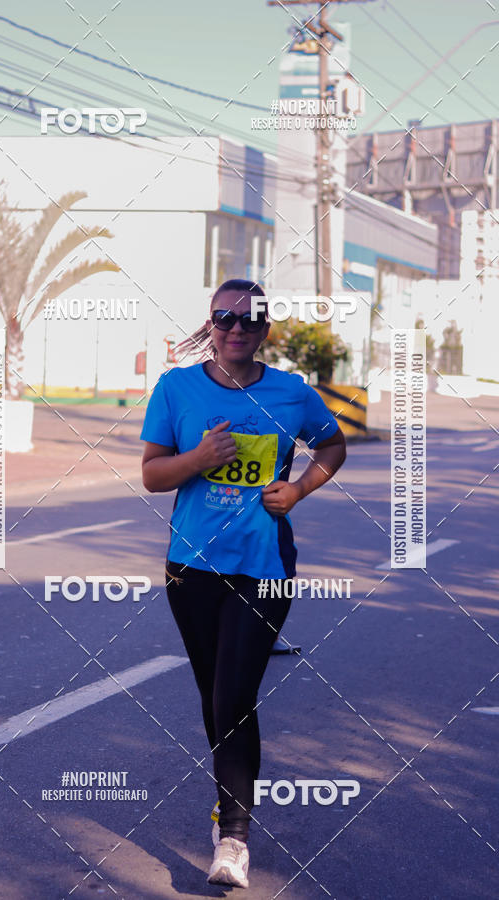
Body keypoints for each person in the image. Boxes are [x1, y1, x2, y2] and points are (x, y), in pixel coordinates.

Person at [140, 278, 346, 888]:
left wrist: (300, 488)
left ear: (264, 331)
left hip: (265, 570)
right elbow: (153, 475)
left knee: (233, 697)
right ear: (211, 323)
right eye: (224, 318)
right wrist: (197, 460)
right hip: (192, 569)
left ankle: (233, 837)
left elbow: (332, 445)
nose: (236, 329)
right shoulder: (177, 388)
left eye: (249, 321)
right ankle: (226, 810)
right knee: (215, 696)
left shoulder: (290, 393)